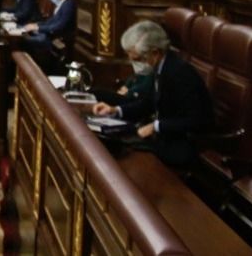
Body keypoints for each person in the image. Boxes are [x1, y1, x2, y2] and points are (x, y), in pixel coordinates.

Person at [91, 21, 213, 166]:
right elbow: (148, 103)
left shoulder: (179, 73)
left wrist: (156, 126)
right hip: (164, 137)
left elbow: (197, 120)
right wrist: (116, 110)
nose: (135, 64)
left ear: (155, 53)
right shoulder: (161, 66)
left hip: (184, 143)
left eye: (138, 59)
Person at [21, 0, 77, 74]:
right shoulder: (63, 3)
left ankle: (36, 72)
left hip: (58, 39)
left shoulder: (68, 5)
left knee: (25, 41)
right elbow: (51, 21)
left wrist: (38, 28)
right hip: (51, 35)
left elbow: (59, 26)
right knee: (26, 37)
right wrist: (37, 25)